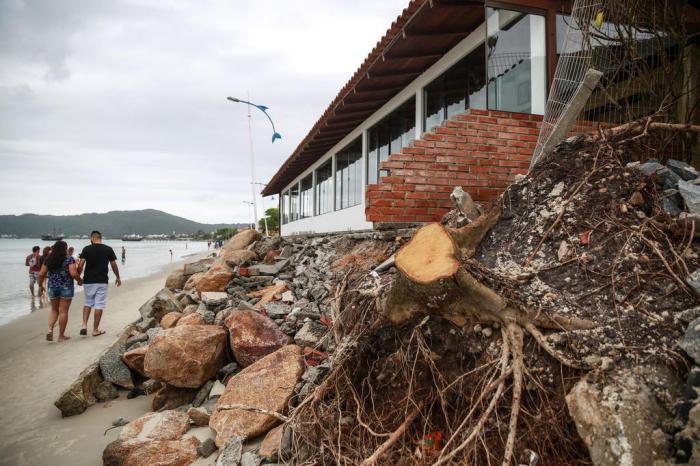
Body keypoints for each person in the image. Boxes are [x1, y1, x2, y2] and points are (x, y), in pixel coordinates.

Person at [77, 231, 121, 337]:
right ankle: (95, 330)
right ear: (100, 238)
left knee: (88, 302)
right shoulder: (108, 249)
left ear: (92, 238)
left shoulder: (86, 249)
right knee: (99, 304)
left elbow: (81, 264)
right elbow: (113, 264)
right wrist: (117, 277)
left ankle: (84, 325)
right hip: (101, 280)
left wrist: (78, 278)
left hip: (88, 281)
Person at [38, 240, 82, 342]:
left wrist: (40, 285)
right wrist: (80, 280)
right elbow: (73, 273)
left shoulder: (48, 259)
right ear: (64, 249)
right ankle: (61, 336)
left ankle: (50, 329)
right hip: (66, 287)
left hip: (52, 287)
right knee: (63, 311)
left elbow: (41, 274)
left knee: (54, 310)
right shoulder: (69, 259)